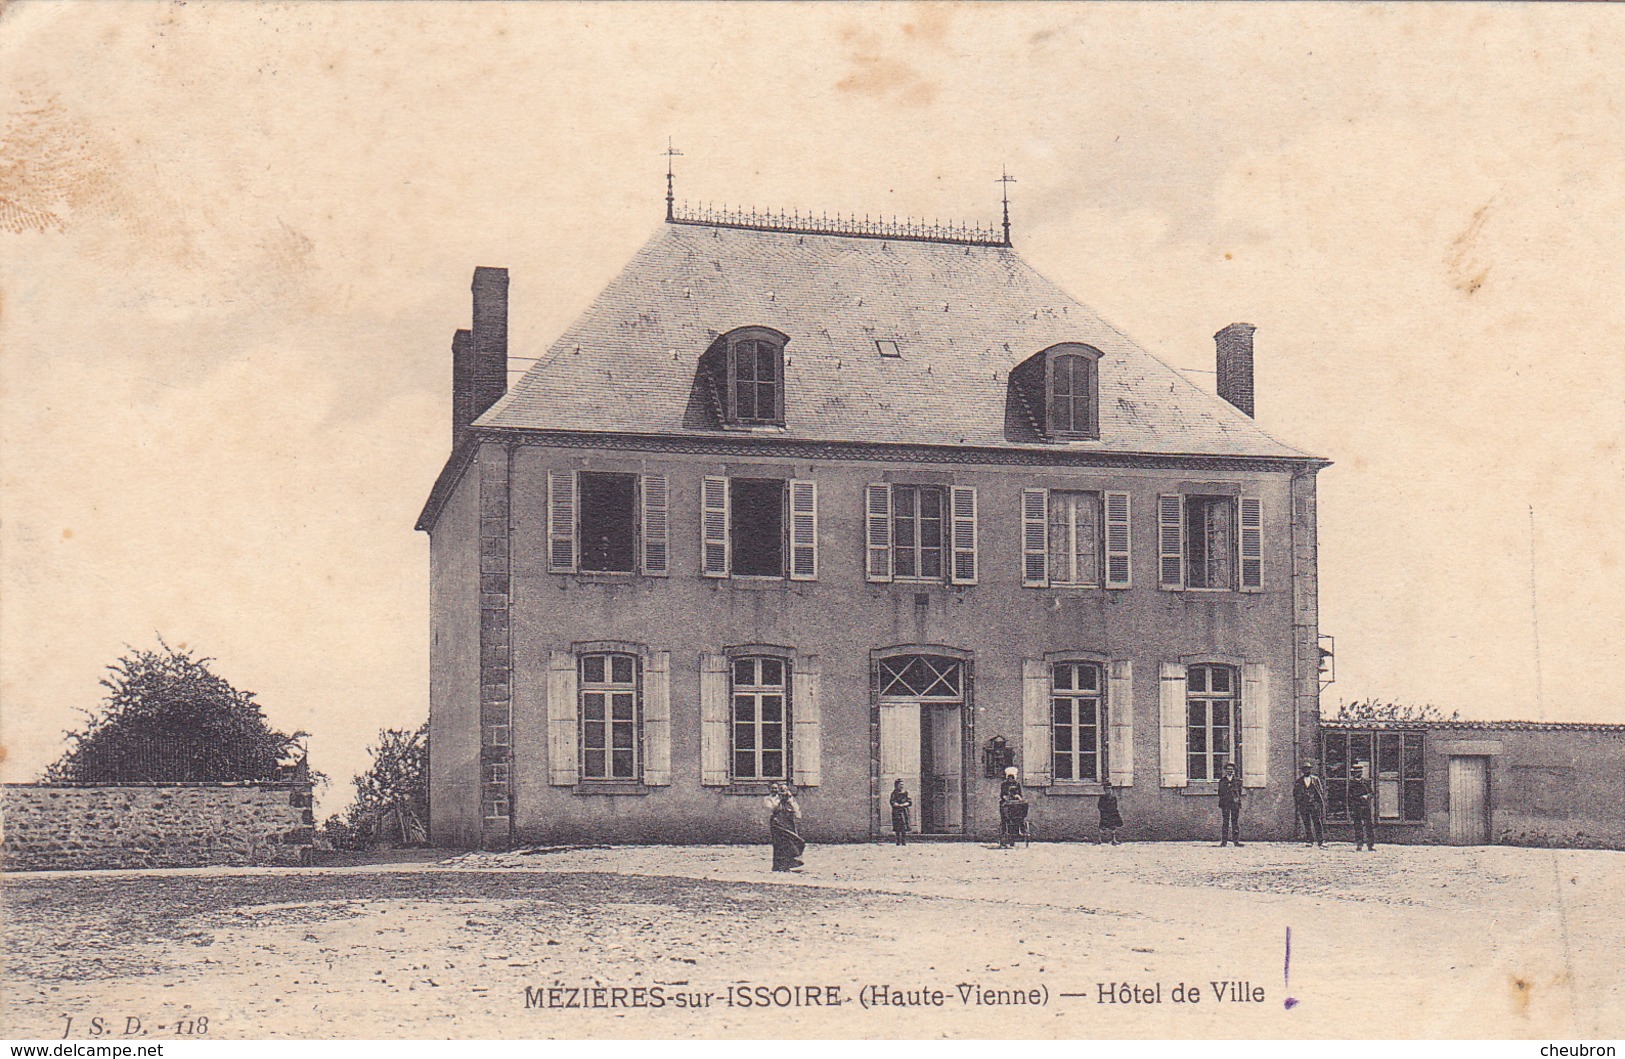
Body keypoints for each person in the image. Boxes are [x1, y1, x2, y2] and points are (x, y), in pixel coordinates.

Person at [764, 782, 805, 871]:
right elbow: (773, 808)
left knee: (792, 842)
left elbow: (796, 811)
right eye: (772, 788)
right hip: (777, 824)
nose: (775, 790)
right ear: (769, 789)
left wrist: (789, 800)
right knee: (779, 845)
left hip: (788, 823)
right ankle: (778, 865)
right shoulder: (768, 799)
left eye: (776, 788)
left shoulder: (787, 799)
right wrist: (780, 801)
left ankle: (791, 862)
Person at [1294, 761, 1326, 847]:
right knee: (1307, 823)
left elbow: (1320, 791)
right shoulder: (1299, 781)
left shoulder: (1315, 779)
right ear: (1302, 771)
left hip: (1314, 805)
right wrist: (1300, 802)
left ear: (1310, 770)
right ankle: (1309, 840)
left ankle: (1321, 841)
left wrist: (1318, 802)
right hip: (1304, 805)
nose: (1306, 771)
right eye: (1305, 769)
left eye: (1308, 769)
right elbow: (1295, 793)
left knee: (1317, 822)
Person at [1349, 762, 1377, 851]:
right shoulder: (1352, 784)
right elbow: (1349, 797)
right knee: (1358, 826)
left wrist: (1367, 796)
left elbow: (1372, 793)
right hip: (1356, 807)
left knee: (1369, 825)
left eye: (1359, 772)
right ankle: (1359, 844)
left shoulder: (1366, 782)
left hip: (1366, 807)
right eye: (1356, 772)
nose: (1358, 773)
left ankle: (1370, 844)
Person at [997, 767, 1027, 849]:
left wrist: (1018, 797)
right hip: (1006, 804)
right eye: (1009, 777)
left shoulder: (1017, 784)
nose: (1010, 779)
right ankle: (1004, 838)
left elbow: (1020, 794)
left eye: (1012, 777)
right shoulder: (1004, 784)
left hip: (1015, 805)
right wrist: (1005, 797)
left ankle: (1015, 837)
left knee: (1017, 819)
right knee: (1005, 820)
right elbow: (1002, 794)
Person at [1217, 762, 1244, 847]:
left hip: (1234, 804)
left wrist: (1236, 800)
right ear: (1225, 771)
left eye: (1231, 769)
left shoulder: (1238, 781)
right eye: (1228, 769)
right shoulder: (1222, 781)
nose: (1230, 771)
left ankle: (1236, 841)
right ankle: (1224, 841)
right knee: (1225, 822)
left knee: (1235, 822)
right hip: (1225, 804)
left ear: (1234, 770)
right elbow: (1220, 792)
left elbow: (1239, 792)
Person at [889, 779, 913, 846]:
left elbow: (909, 801)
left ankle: (903, 841)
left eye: (902, 784)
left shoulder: (906, 793)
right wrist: (897, 805)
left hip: (904, 811)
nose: (901, 786)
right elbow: (892, 801)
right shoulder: (894, 793)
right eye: (900, 784)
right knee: (897, 826)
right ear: (896, 785)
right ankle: (898, 841)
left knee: (904, 826)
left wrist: (904, 804)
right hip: (896, 811)